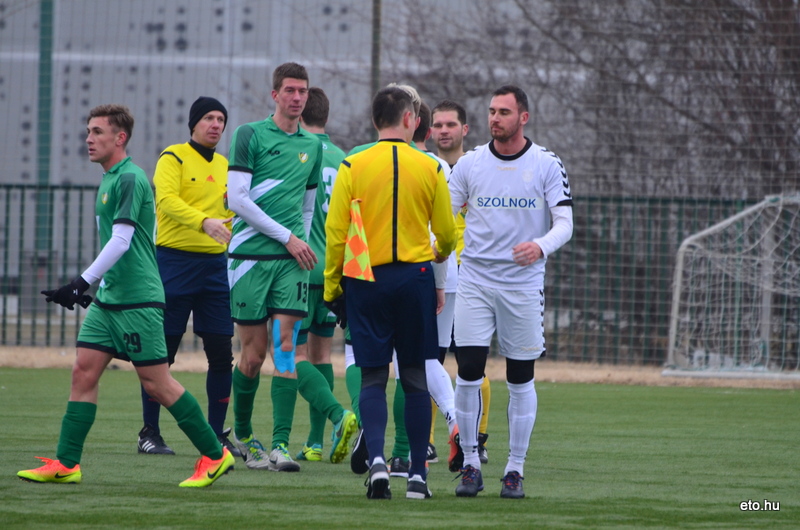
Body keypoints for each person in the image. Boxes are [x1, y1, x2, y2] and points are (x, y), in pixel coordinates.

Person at [18, 104, 234, 487]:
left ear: (120, 138)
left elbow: (122, 240)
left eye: (97, 132)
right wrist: (94, 286)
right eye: (88, 130)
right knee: (83, 371)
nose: (89, 138)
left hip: (138, 299)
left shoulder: (131, 179)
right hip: (110, 299)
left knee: (157, 383)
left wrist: (81, 282)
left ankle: (215, 456)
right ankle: (67, 463)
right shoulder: (109, 179)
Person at [324, 86, 457, 500]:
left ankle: (377, 462)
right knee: (415, 377)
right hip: (414, 277)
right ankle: (418, 475)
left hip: (367, 280)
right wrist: (440, 252)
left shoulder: (353, 164)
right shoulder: (431, 167)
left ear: (375, 121)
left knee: (373, 376)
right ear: (409, 120)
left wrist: (332, 285)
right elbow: (448, 232)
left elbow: (336, 232)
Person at [226, 63, 357, 472]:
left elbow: (306, 203)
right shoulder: (249, 135)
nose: (297, 97)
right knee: (252, 355)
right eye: (290, 90)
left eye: (302, 91)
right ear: (275, 95)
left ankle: (281, 444)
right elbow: (237, 199)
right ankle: (244, 436)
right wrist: (287, 236)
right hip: (249, 258)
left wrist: (295, 242)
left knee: (286, 351)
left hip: (292, 263)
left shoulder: (314, 147)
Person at [449, 85, 573, 499]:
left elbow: (565, 224)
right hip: (475, 283)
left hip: (522, 287)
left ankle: (514, 470)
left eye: (504, 111)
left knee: (520, 378)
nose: (495, 118)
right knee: (467, 374)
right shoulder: (470, 165)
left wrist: (539, 246)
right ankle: (469, 463)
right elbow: (444, 217)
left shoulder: (546, 164)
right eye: (491, 111)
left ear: (523, 117)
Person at [136, 96, 240, 459]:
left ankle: (215, 435)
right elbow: (165, 201)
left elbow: (234, 208)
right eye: (209, 118)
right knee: (160, 354)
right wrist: (204, 221)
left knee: (221, 353)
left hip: (213, 268)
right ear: (194, 123)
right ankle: (149, 431)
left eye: (221, 119)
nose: (216, 124)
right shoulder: (173, 157)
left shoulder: (227, 164)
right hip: (173, 263)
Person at [431, 99, 492, 468]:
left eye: (450, 124)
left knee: (473, 365)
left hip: (471, 278)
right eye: (437, 124)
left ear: (464, 130)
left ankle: (478, 439)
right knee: (428, 360)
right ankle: (426, 443)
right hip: (436, 275)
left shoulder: (479, 170)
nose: (443, 131)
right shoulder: (427, 168)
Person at [294, 87, 347, 462]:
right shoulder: (344, 159)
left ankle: (339, 416)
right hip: (334, 272)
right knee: (322, 353)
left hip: (300, 268)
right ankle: (314, 442)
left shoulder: (297, 153)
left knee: (288, 356)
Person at [411, 102, 459, 468]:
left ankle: (415, 443)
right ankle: (453, 427)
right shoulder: (440, 166)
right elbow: (445, 230)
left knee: (412, 361)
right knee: (434, 358)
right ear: (427, 131)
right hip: (447, 272)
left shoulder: (374, 160)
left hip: (415, 273)